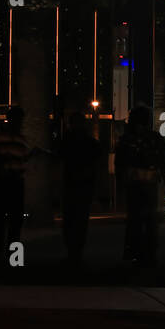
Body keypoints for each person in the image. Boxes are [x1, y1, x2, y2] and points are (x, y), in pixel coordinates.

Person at [115, 105, 165, 269]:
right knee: (149, 220)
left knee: (136, 220)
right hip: (148, 184)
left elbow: (120, 163)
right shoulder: (153, 139)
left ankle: (136, 252)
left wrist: (122, 181)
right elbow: (164, 162)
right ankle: (148, 253)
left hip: (135, 184)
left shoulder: (128, 139)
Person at [0, 106, 30, 268]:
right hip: (11, 183)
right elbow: (22, 162)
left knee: (3, 220)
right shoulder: (20, 140)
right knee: (11, 222)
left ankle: (1, 256)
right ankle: (13, 258)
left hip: (6, 183)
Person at [60, 111, 102, 271]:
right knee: (80, 221)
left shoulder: (68, 140)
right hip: (84, 184)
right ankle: (77, 252)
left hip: (71, 184)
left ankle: (72, 252)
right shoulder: (89, 141)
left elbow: (60, 154)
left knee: (70, 220)